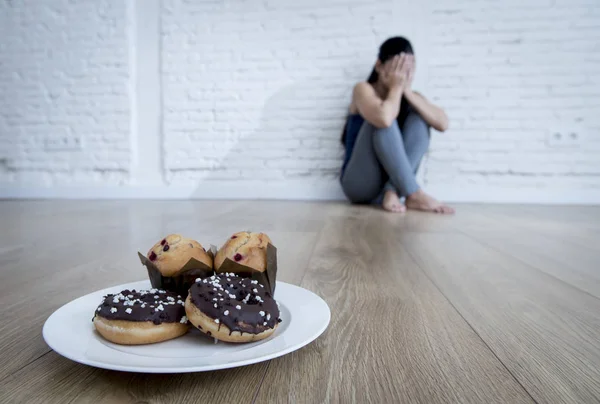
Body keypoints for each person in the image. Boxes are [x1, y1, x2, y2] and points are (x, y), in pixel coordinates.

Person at [340, 37, 454, 214]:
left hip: (391, 189)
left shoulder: (411, 95)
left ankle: (392, 190)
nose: (403, 75)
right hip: (359, 186)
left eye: (409, 69)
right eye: (398, 67)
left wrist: (406, 91)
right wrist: (395, 88)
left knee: (420, 119)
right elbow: (384, 119)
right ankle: (413, 192)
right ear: (379, 66)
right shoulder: (363, 89)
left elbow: (443, 123)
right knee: (383, 119)